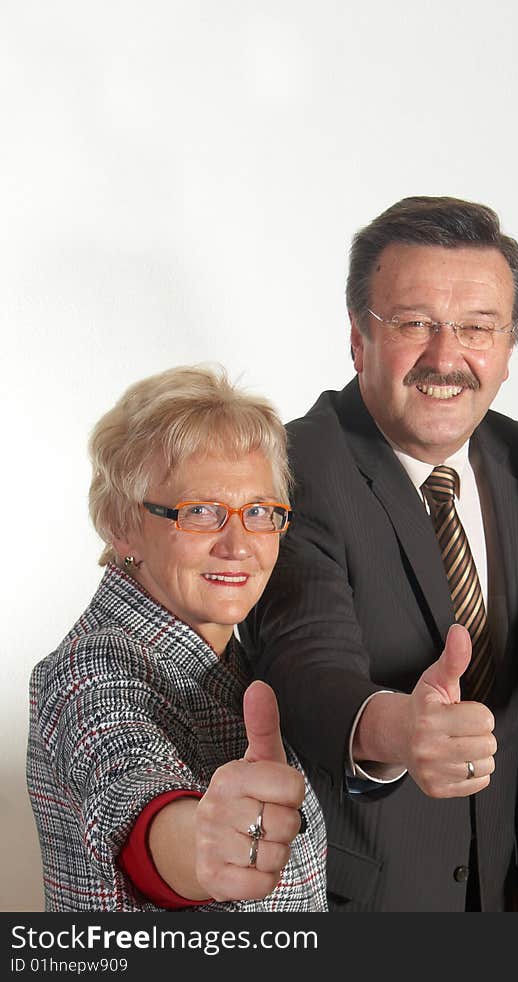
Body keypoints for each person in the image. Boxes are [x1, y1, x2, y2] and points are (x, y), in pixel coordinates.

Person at [242, 196, 518, 911]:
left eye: (479, 328)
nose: (447, 358)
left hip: (506, 891)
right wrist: (397, 730)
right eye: (414, 324)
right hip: (360, 898)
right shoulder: (290, 468)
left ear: (509, 348)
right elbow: (303, 662)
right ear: (358, 338)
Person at [27, 365, 327, 912]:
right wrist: (203, 846)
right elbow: (131, 788)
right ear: (122, 525)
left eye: (259, 511)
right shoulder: (89, 668)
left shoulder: (239, 663)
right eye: (202, 512)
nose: (238, 545)